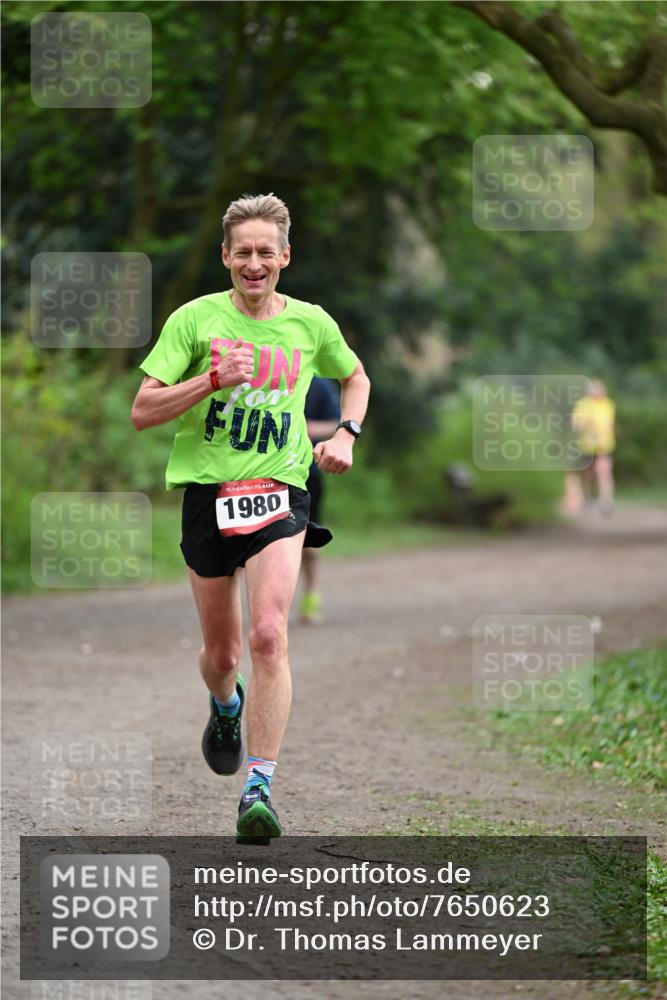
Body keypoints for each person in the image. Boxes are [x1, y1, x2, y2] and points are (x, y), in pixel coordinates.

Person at [131, 193, 370, 843]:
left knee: (268, 635)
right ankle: (224, 706)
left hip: (280, 491)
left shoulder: (310, 324)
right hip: (208, 495)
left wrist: (345, 435)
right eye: (243, 252)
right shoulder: (194, 320)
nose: (255, 262)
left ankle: (257, 790)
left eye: (267, 251)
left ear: (285, 257)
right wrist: (209, 381)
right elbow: (143, 410)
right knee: (222, 653)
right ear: (225, 258)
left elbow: (356, 378)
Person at [300, 377, 341, 623]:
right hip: (266, 473)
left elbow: (338, 423)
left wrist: (309, 428)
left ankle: (311, 595)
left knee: (309, 540)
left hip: (309, 473)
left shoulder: (321, 385)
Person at [570, 379, 616, 515]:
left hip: (604, 446)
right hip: (587, 447)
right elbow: (575, 425)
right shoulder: (582, 405)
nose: (597, 392)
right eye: (594, 389)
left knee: (604, 472)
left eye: (599, 389)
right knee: (588, 475)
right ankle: (587, 497)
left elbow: (611, 422)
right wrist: (585, 424)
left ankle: (606, 501)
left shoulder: (608, 404)